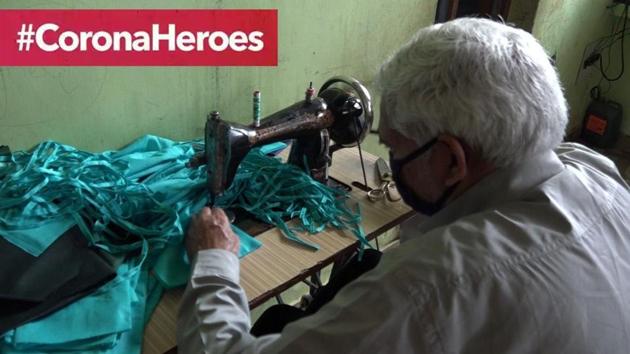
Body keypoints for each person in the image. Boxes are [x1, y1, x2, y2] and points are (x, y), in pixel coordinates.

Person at [177, 17, 630, 353]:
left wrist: (214, 264)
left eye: (394, 149)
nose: (390, 164)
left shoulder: (430, 289)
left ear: (453, 161)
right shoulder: (599, 176)